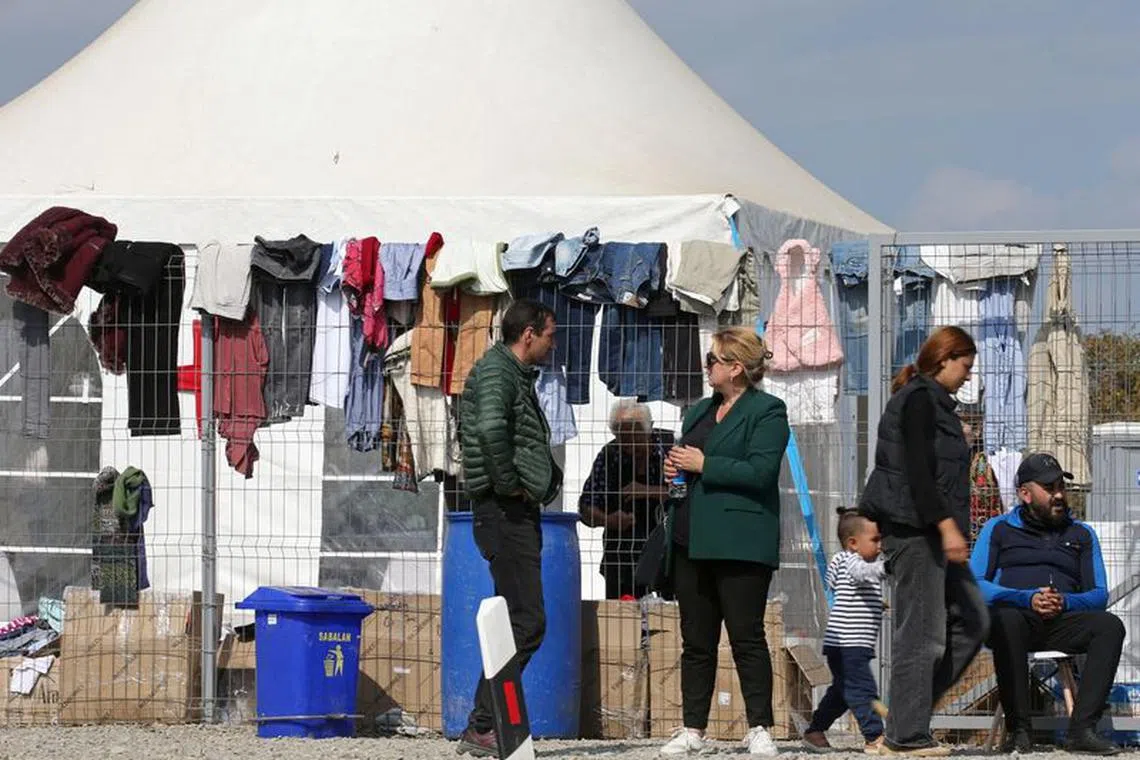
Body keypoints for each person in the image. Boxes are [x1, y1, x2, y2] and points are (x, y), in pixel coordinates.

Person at [658, 326, 791, 757]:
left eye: (713, 360)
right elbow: (689, 460)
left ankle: (759, 727)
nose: (706, 367)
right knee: (696, 641)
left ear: (736, 367)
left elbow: (761, 472)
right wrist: (675, 469)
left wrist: (704, 463)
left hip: (740, 542)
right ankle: (692, 727)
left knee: (746, 637)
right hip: (690, 539)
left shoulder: (768, 410)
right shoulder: (697, 411)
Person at [859, 325, 989, 757]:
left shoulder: (935, 404)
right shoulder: (918, 400)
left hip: (933, 533)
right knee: (922, 636)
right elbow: (918, 472)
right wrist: (948, 527)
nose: (969, 376)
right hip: (917, 533)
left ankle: (903, 720)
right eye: (965, 366)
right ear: (945, 359)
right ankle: (907, 737)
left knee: (974, 621)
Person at [455, 298, 562, 757]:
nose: (553, 343)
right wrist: (511, 486)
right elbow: (490, 430)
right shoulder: (499, 372)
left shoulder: (511, 372)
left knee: (522, 619)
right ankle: (482, 724)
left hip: (510, 510)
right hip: (503, 511)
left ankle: (484, 724)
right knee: (527, 620)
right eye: (550, 334)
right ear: (529, 334)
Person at [969, 452, 1125, 756]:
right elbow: (975, 585)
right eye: (1049, 488)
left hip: (1061, 620)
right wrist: (1026, 598)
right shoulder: (998, 529)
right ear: (1025, 494)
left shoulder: (1081, 534)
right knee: (1007, 620)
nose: (1058, 494)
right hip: (1014, 620)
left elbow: (1099, 594)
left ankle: (1082, 731)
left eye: (1060, 487)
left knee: (1109, 626)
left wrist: (1064, 602)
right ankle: (1019, 731)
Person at [803, 509, 888, 755]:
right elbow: (861, 573)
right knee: (863, 689)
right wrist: (888, 567)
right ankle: (874, 736)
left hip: (846, 643)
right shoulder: (852, 561)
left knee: (843, 691)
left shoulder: (847, 563)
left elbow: (843, 586)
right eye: (874, 540)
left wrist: (876, 602)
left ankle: (815, 731)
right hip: (849, 643)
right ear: (853, 543)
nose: (880, 546)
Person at [579, 400, 673, 600]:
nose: (630, 446)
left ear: (649, 430)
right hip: (622, 555)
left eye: (635, 437)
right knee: (623, 617)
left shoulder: (671, 448)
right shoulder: (609, 455)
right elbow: (586, 507)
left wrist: (650, 491)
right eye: (623, 439)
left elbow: (687, 492)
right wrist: (608, 520)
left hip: (668, 550)